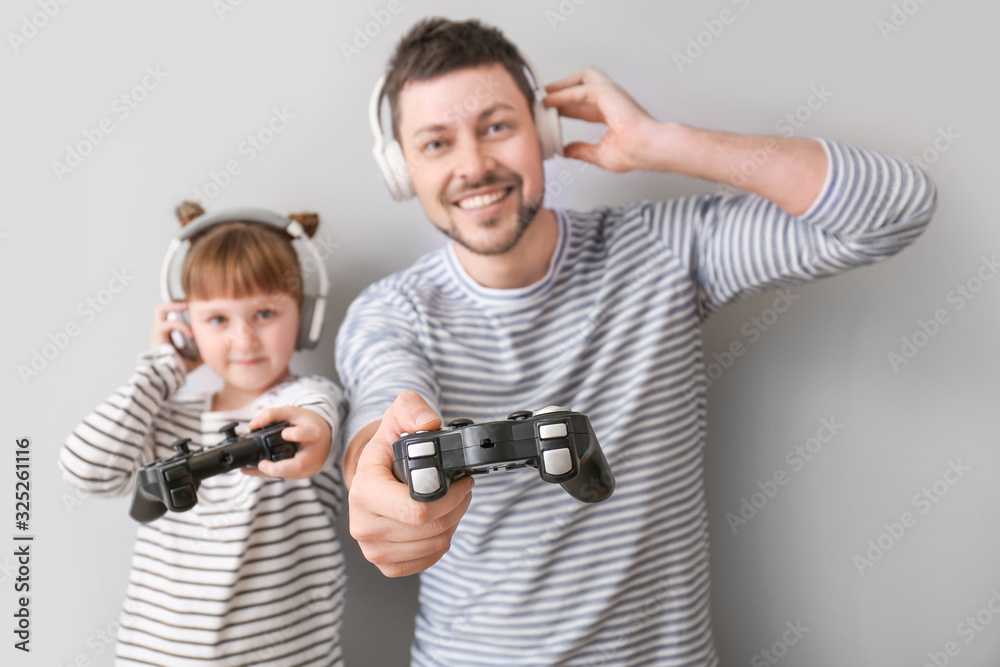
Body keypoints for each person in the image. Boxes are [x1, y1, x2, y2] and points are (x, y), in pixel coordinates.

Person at [336, 17, 938, 667]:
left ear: (544, 133)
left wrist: (665, 142)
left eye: (497, 126)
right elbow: (384, 407)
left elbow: (894, 209)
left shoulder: (661, 250)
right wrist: (375, 476)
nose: (474, 164)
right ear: (401, 169)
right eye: (435, 143)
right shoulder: (389, 313)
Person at [59, 202, 346, 666]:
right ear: (186, 327)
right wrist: (160, 371)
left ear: (306, 315)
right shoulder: (165, 417)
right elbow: (86, 471)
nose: (243, 338)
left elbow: (315, 415)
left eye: (266, 313)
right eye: (217, 320)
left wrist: (315, 425)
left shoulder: (311, 402)